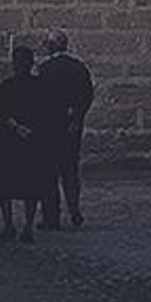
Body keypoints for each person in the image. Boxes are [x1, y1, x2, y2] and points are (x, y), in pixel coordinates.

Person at [0, 45, 53, 243]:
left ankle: (9, 226)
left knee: (5, 186)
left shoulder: (5, 87)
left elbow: (0, 111)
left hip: (10, 141)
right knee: (31, 186)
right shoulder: (41, 87)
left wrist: (16, 127)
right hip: (32, 141)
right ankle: (27, 227)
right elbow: (47, 112)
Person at [37, 30, 95, 230]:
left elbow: (40, 99)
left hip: (49, 129)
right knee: (70, 171)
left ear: (50, 47)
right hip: (71, 128)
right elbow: (87, 96)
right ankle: (74, 210)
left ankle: (51, 218)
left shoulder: (45, 69)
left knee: (49, 173)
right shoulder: (79, 67)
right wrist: (77, 118)